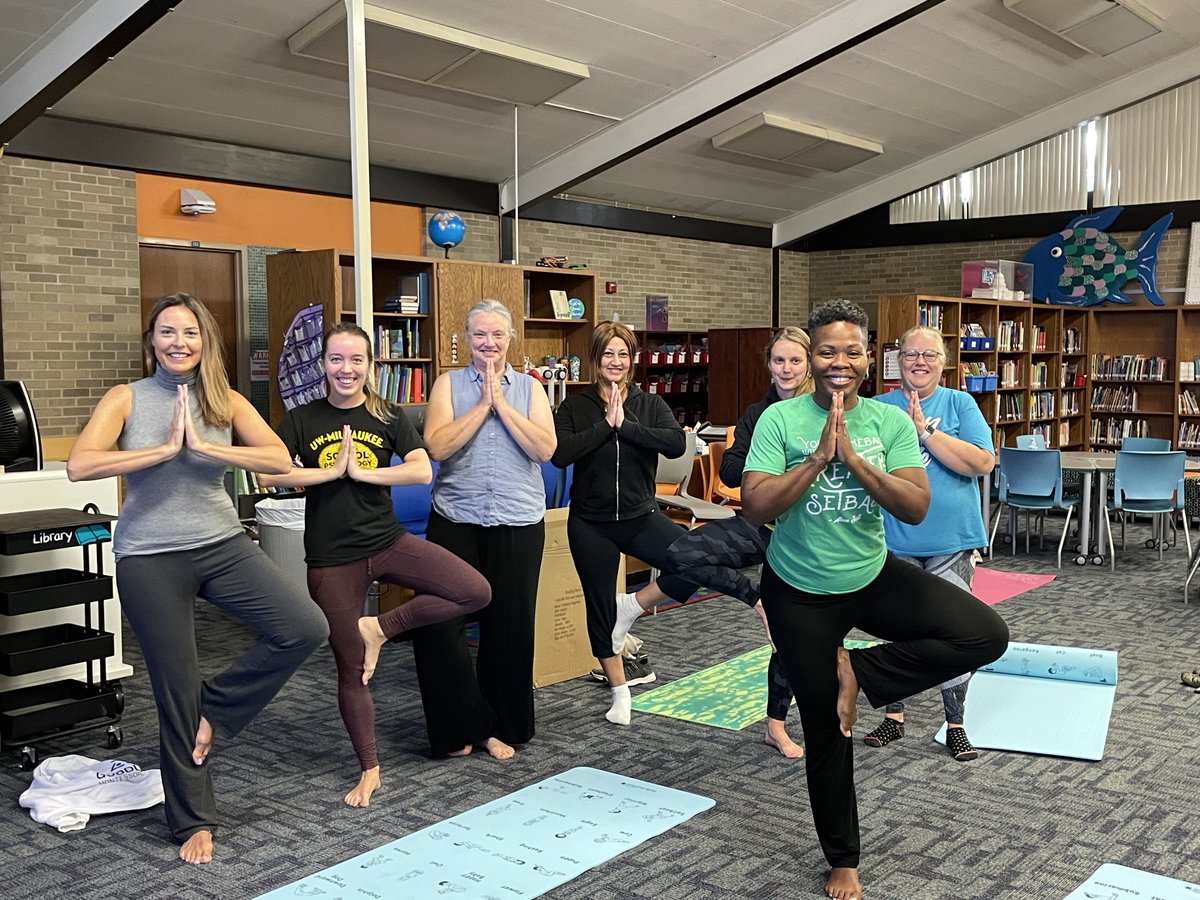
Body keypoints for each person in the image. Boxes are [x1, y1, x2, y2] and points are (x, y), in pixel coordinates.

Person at [741, 299, 1009, 900]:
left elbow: (914, 505)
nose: (840, 361)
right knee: (827, 728)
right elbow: (756, 506)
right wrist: (817, 459)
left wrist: (856, 461)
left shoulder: (889, 422)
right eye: (827, 351)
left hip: (871, 575)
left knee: (985, 635)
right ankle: (843, 858)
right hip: (800, 593)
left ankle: (858, 670)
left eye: (852, 351)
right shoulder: (779, 421)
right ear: (811, 357)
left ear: (869, 358)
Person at [66, 293, 329, 865]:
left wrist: (208, 446)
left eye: (189, 333)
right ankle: (193, 820)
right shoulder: (126, 398)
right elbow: (80, 465)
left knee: (305, 626)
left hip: (223, 545)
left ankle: (214, 707)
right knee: (172, 689)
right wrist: (162, 449)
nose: (178, 342)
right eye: (166, 332)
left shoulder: (226, 400)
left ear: (205, 341)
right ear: (151, 341)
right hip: (150, 556)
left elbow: (280, 459)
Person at [258, 322, 492, 808]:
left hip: (387, 541)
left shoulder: (387, 414)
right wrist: (329, 472)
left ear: (371, 366)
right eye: (337, 360)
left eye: (356, 360)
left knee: (474, 591)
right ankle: (370, 768)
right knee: (352, 670)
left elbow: (422, 467)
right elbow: (266, 472)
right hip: (331, 559)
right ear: (323, 365)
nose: (346, 369)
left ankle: (380, 628)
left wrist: (363, 472)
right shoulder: (302, 419)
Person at [412, 300, 557, 755]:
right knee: (439, 624)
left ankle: (502, 727)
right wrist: (481, 406)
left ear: (511, 338)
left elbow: (544, 449)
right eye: (479, 335)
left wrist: (503, 406)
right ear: (466, 338)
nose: (488, 343)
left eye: (497, 335)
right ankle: (458, 729)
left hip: (518, 519)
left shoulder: (531, 389)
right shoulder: (447, 384)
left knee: (509, 629)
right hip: (456, 519)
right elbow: (436, 447)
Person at [666, 326, 812, 759]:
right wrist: (768, 460)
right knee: (681, 553)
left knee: (794, 638)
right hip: (762, 526)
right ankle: (755, 600)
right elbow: (730, 473)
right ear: (768, 365)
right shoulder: (757, 414)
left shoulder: (822, 410)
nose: (786, 369)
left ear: (809, 365)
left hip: (808, 536)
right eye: (778, 361)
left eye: (795, 361)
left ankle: (777, 724)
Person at [552, 321, 701, 726]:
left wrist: (627, 426)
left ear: (632, 360)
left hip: (641, 516)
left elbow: (674, 443)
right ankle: (620, 692)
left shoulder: (650, 404)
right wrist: (605, 427)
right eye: (607, 354)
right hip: (591, 522)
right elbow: (560, 454)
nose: (615, 361)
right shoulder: (574, 407)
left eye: (623, 354)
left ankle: (631, 605)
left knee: (697, 560)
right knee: (598, 607)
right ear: (596, 359)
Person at [869, 325, 996, 762]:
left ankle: (955, 723)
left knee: (956, 633)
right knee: (896, 629)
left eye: (930, 354)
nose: (919, 361)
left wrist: (923, 431)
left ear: (944, 362)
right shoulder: (877, 408)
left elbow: (981, 463)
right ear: (897, 361)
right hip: (891, 540)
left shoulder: (960, 403)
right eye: (909, 354)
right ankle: (893, 716)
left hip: (952, 542)